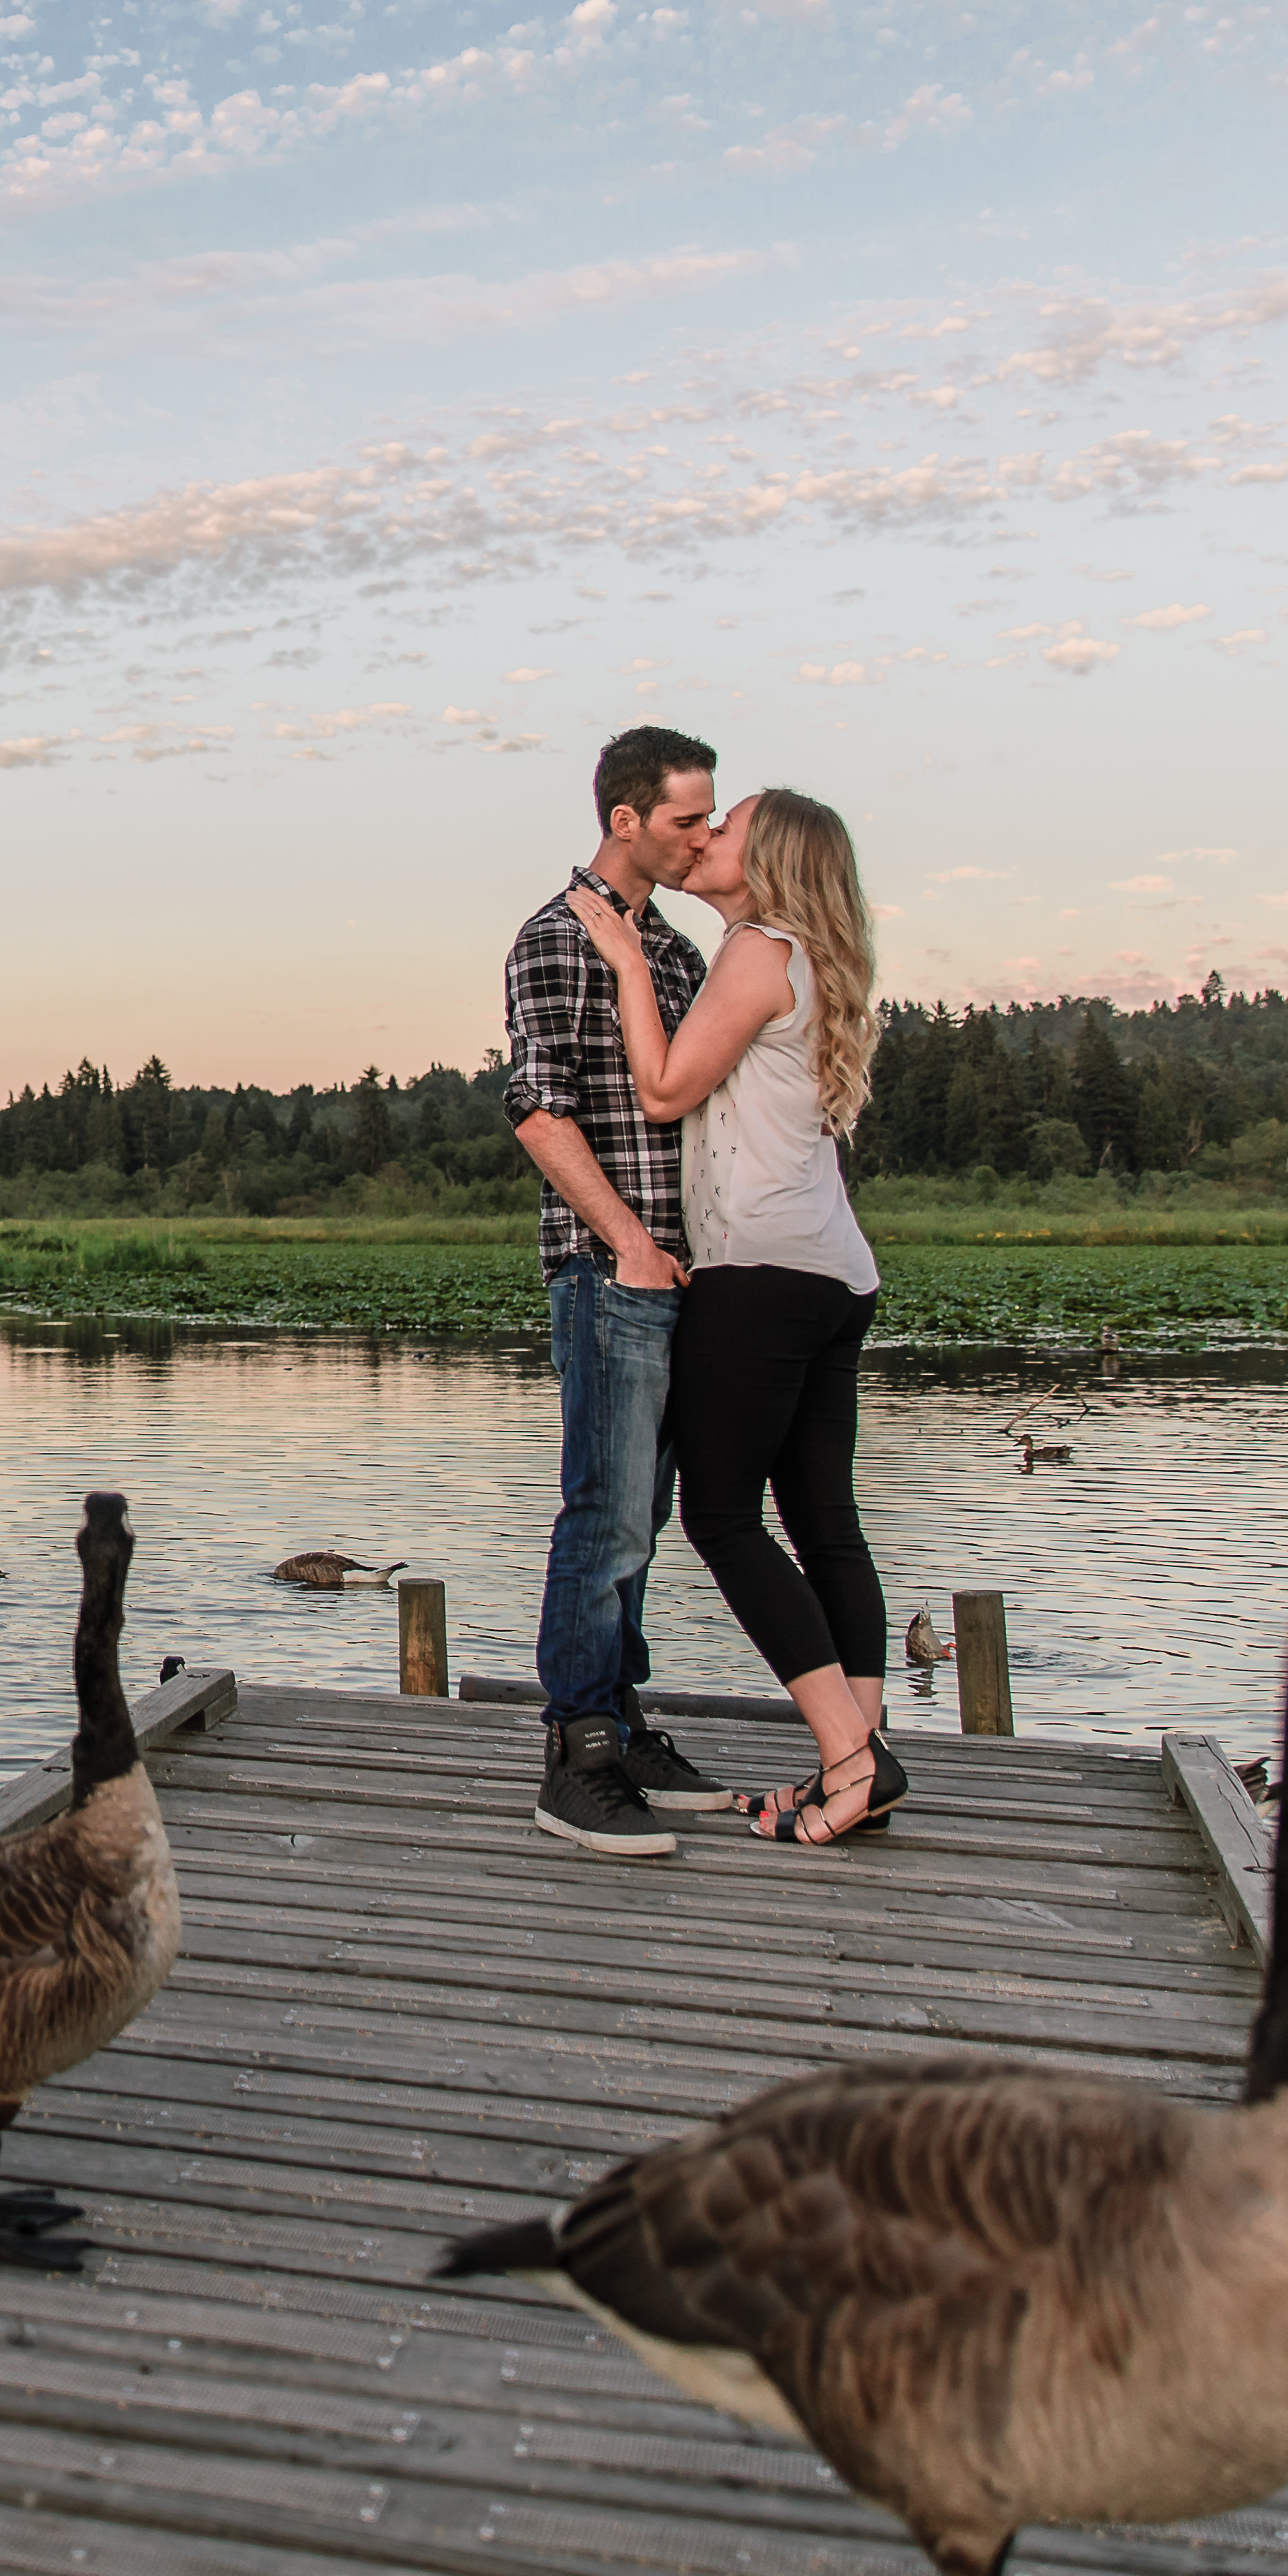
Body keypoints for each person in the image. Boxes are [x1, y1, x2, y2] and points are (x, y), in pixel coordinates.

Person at [564, 786, 894, 1846]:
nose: (707, 840)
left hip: (761, 1273)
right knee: (824, 1524)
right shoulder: (812, 957)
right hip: (835, 1272)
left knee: (719, 1515)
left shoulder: (758, 947)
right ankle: (863, 1762)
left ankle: (849, 1759)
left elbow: (660, 1091)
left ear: (772, 860)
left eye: (728, 826)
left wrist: (621, 960)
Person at [502, 724, 734, 1858]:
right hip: (611, 1274)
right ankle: (579, 1753)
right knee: (604, 1515)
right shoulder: (555, 939)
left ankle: (627, 1720)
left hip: (686, 1274)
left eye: (710, 817)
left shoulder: (678, 955)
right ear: (625, 819)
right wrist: (630, 1244)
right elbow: (538, 1108)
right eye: (688, 819)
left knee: (644, 1518)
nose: (706, 837)